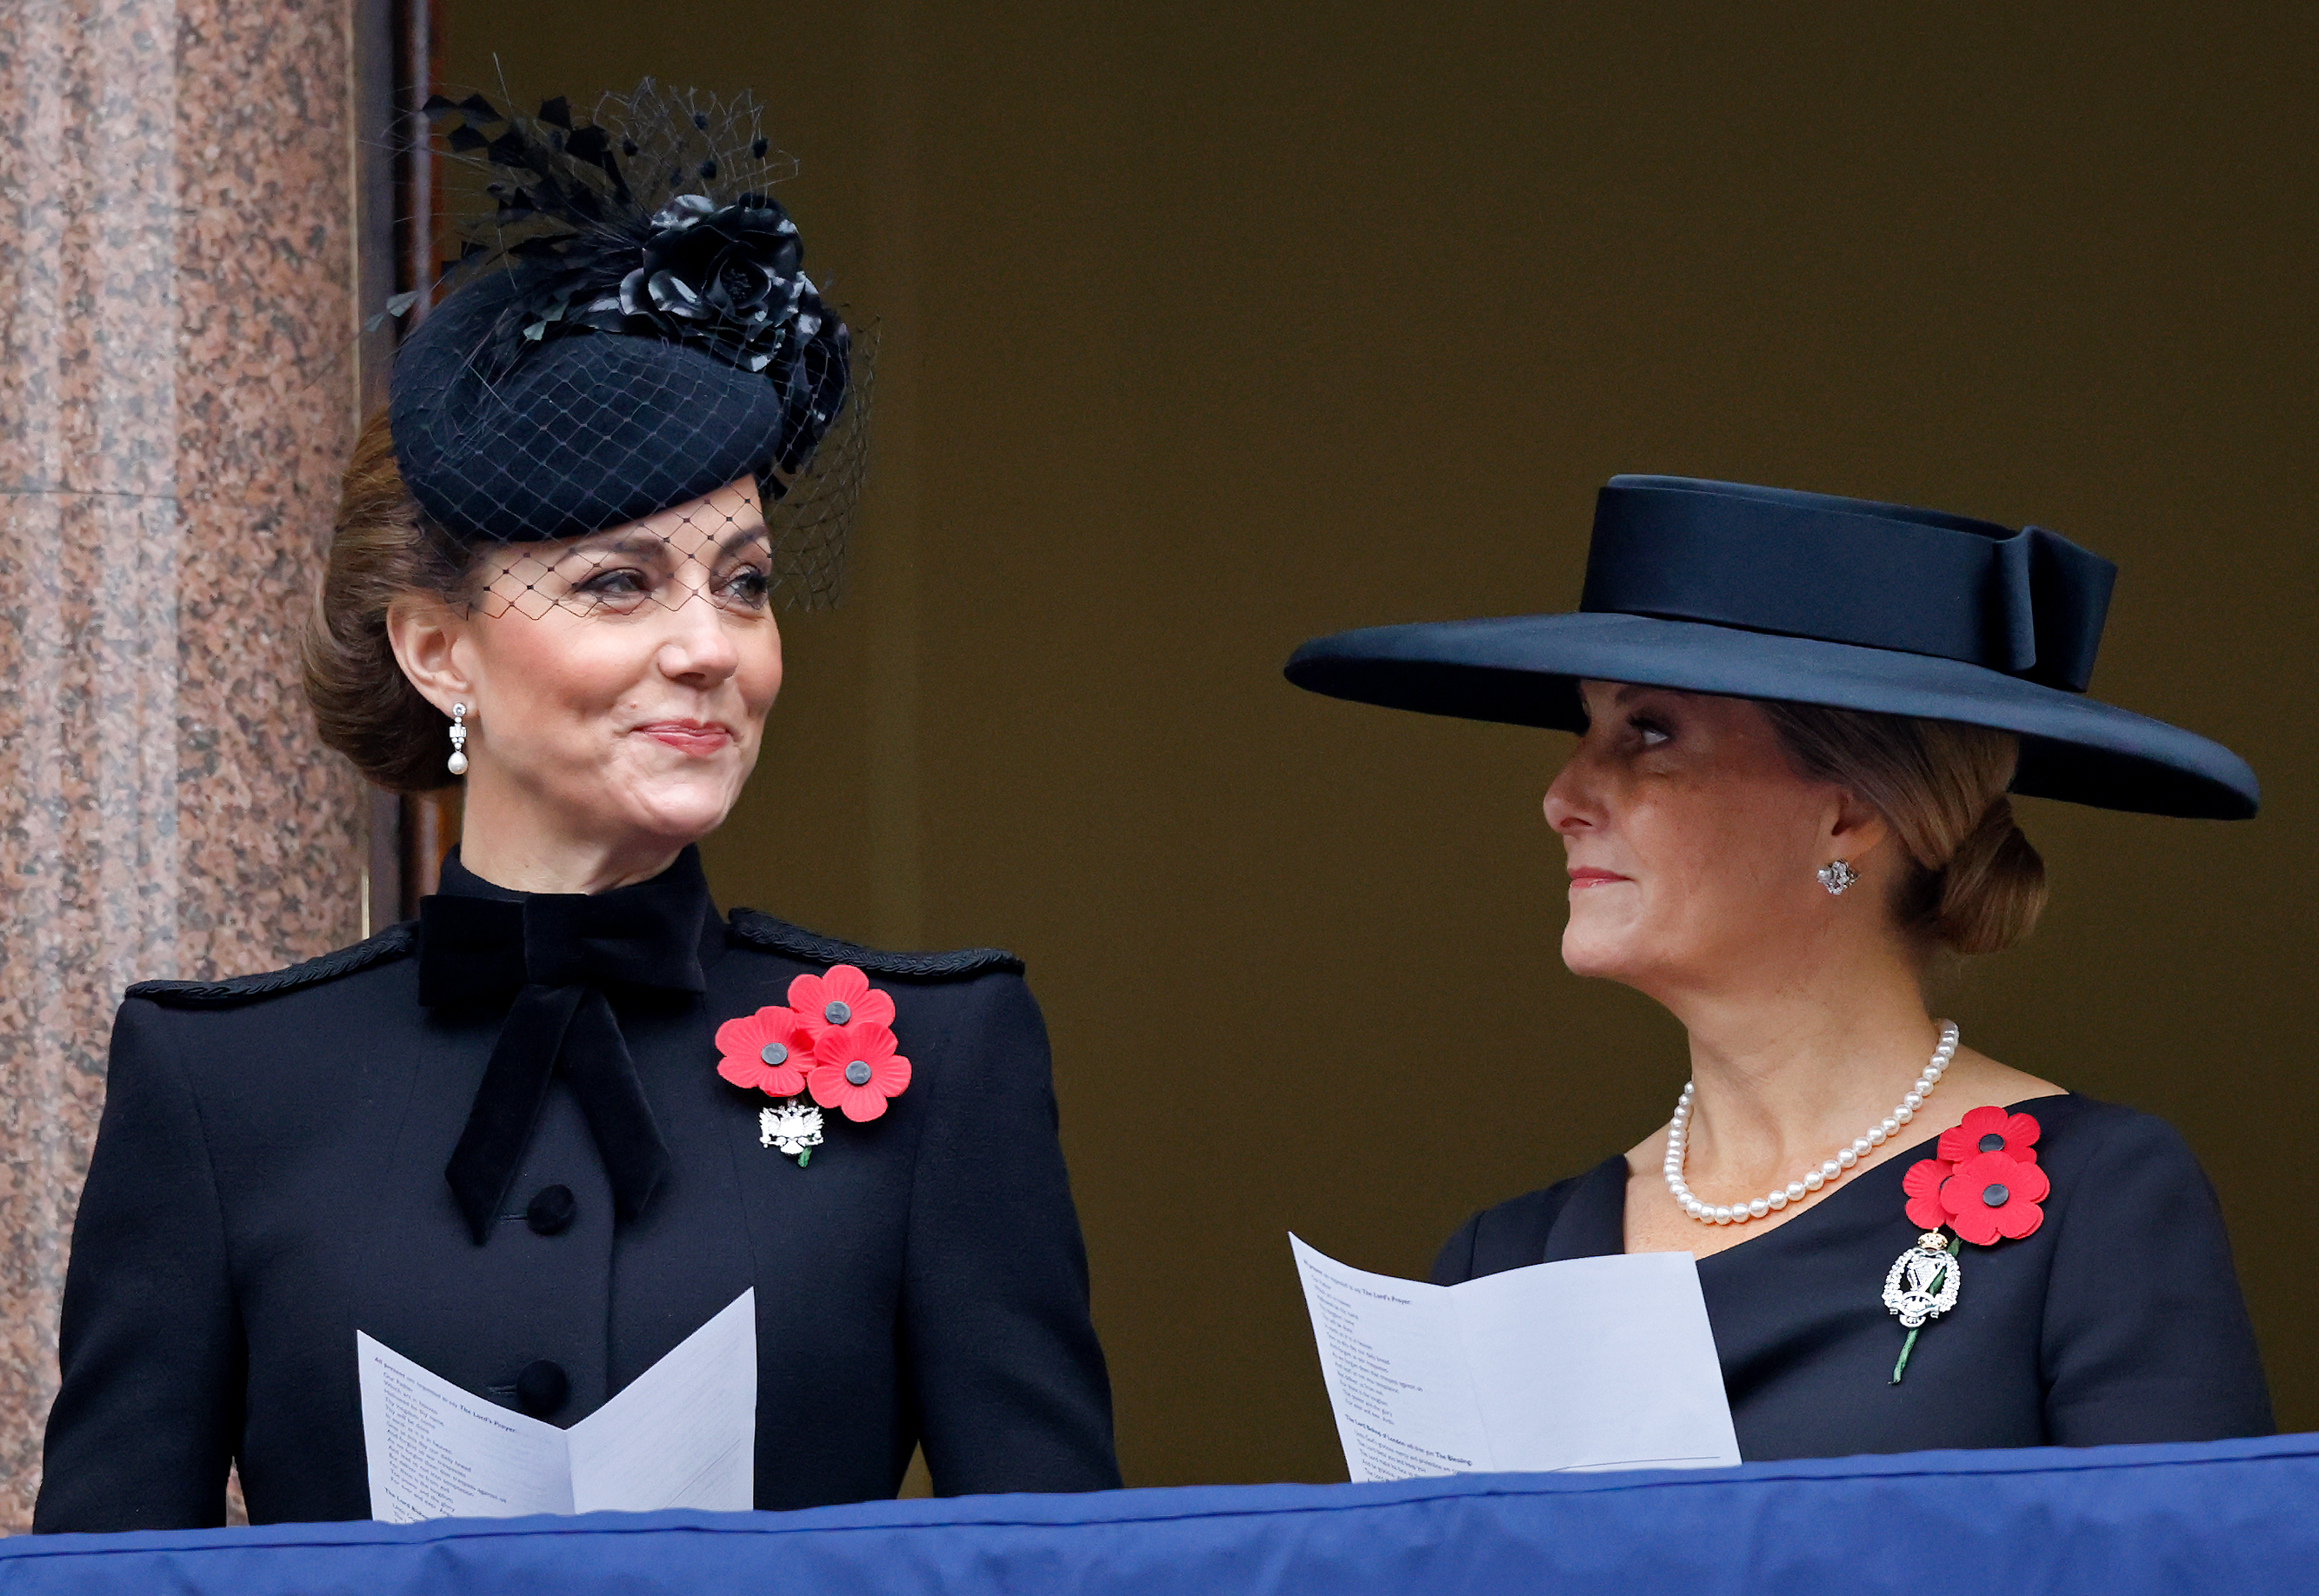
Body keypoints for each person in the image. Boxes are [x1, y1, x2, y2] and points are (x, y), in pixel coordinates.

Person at [35, 83, 1118, 1532]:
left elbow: (1059, 1569)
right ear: (437, 650)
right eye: (619, 582)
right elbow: (110, 1579)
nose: (708, 644)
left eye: (742, 580)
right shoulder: (223, 1089)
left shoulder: (941, 1060)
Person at [1284, 475, 2272, 1459]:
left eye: (1649, 730)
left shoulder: (2096, 1203)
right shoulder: (1502, 1267)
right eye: (1581, 728)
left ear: (1848, 811)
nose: (1564, 795)